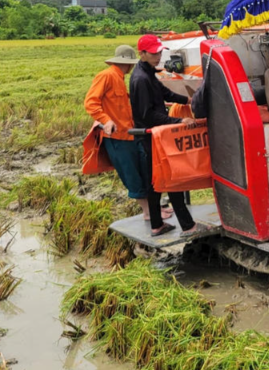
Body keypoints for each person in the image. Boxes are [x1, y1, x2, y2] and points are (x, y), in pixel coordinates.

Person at [84, 45, 173, 221]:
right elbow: (91, 102)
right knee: (132, 174)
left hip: (130, 134)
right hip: (116, 137)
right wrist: (106, 120)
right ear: (131, 63)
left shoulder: (120, 78)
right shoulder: (107, 76)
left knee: (143, 170)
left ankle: (153, 209)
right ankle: (148, 213)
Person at [130, 34, 201, 237]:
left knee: (156, 181)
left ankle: (156, 225)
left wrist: (188, 101)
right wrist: (179, 121)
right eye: (153, 53)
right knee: (172, 178)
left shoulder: (147, 72)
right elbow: (148, 114)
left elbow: (164, 93)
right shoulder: (141, 79)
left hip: (154, 136)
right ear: (142, 54)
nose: (158, 56)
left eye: (159, 52)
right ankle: (188, 225)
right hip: (150, 136)